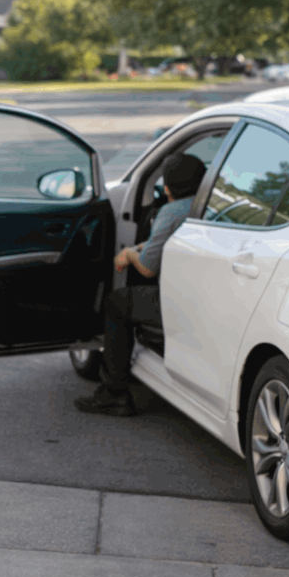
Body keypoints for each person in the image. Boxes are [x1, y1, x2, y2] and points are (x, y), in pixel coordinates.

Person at [75, 151, 207, 417]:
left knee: (117, 304)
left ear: (167, 188)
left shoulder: (169, 212)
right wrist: (140, 247)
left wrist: (129, 254)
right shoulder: (210, 205)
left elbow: (147, 269)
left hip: (175, 301)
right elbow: (167, 243)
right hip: (207, 296)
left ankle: (114, 393)